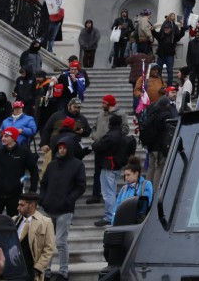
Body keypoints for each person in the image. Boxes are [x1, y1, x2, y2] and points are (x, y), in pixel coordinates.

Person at [39, 134, 86, 281]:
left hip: (64, 210)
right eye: (59, 147)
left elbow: (81, 186)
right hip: (48, 208)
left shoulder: (77, 165)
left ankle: (63, 272)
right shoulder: (52, 164)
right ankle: (45, 270)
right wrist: (43, 199)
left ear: (69, 148)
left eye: (64, 147)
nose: (61, 150)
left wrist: (69, 200)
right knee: (47, 242)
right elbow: (44, 183)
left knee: (60, 242)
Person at [0, 126, 39, 217]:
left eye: (6, 136)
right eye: (2, 136)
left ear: (13, 138)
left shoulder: (24, 152)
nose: (3, 138)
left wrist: (32, 191)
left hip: (15, 195)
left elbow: (34, 171)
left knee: (13, 224)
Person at [91, 114, 137, 227]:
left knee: (108, 193)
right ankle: (112, 214)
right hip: (117, 166)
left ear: (110, 123)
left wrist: (94, 144)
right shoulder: (122, 135)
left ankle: (109, 216)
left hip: (108, 166)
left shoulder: (111, 136)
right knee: (112, 191)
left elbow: (97, 146)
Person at [88, 94, 128, 206]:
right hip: (99, 147)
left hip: (111, 149)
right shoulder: (100, 115)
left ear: (110, 104)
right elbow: (94, 127)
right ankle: (96, 194)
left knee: (109, 174)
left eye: (104, 103)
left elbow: (125, 129)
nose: (102, 105)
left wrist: (113, 138)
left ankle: (110, 198)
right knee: (97, 171)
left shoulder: (120, 114)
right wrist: (95, 136)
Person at [39, 98, 90, 176]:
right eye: (75, 107)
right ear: (69, 106)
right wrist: (43, 144)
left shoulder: (82, 118)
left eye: (78, 108)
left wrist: (83, 131)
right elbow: (46, 129)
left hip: (73, 150)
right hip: (53, 147)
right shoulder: (56, 115)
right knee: (48, 172)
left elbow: (88, 131)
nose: (76, 109)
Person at [14, 192, 56, 281]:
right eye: (18, 204)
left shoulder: (46, 222)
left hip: (31, 271)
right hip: (14, 268)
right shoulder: (15, 220)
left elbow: (48, 248)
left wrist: (37, 269)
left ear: (32, 205)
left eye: (22, 205)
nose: (18, 208)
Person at [141, 86, 178, 187]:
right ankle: (155, 190)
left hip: (150, 144)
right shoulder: (165, 114)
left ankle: (147, 189)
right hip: (159, 145)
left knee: (151, 167)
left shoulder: (152, 111)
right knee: (159, 167)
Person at [115, 156, 154, 223]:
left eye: (128, 175)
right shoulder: (124, 188)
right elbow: (116, 208)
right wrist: (114, 222)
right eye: (125, 175)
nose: (126, 177)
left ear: (136, 174)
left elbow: (145, 203)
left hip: (137, 223)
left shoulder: (146, 185)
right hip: (123, 223)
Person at [154, 15, 186, 87]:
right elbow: (155, 34)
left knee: (170, 72)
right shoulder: (161, 35)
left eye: (167, 28)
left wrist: (182, 26)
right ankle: (158, 85)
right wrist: (152, 29)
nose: (166, 29)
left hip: (169, 56)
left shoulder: (173, 37)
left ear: (171, 29)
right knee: (158, 72)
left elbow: (181, 34)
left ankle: (169, 86)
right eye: (165, 28)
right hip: (161, 56)